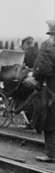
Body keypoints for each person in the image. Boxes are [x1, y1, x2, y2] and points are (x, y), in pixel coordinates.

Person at [28, 21, 55, 162]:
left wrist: (36, 76)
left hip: (51, 90)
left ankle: (51, 154)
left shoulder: (51, 49)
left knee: (50, 120)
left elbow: (42, 70)